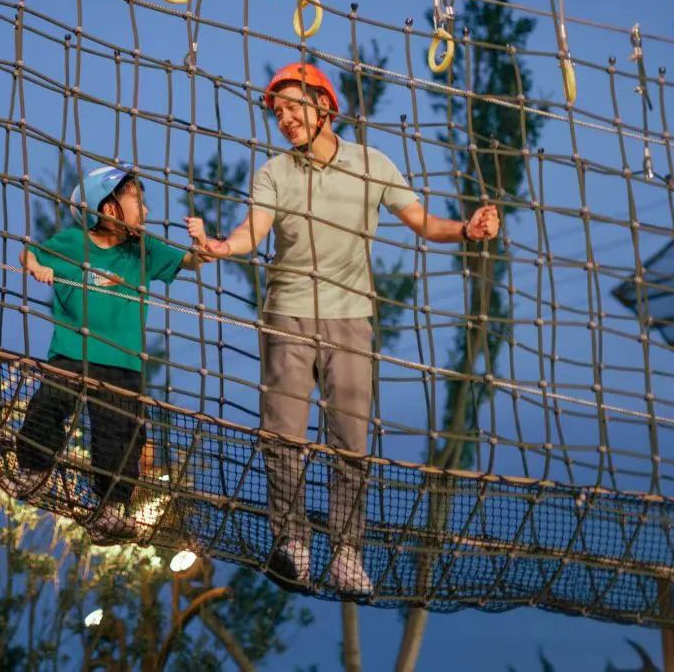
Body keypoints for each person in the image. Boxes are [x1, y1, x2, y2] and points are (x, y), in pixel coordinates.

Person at [186, 62, 499, 593]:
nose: (284, 119)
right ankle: (292, 543)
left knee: (350, 440)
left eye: (293, 108)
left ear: (325, 108)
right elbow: (251, 232)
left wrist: (467, 230)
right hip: (287, 314)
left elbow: (424, 223)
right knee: (283, 435)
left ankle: (347, 554)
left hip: (351, 318)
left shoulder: (372, 164)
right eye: (277, 112)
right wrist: (221, 246)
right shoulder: (273, 173)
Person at [14, 165, 208, 539]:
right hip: (72, 351)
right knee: (48, 405)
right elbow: (29, 253)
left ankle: (111, 509)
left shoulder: (143, 249)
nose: (146, 211)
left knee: (120, 434)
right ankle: (33, 470)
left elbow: (191, 261)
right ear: (108, 208)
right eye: (138, 201)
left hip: (122, 361)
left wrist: (201, 244)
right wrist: (37, 266)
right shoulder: (72, 242)